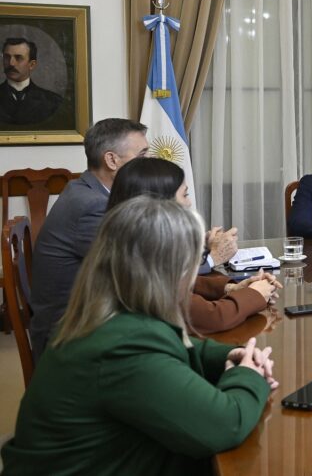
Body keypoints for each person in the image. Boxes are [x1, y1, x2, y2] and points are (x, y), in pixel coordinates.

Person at [0, 197, 277, 475]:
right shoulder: (123, 349)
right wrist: (249, 375)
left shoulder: (103, 313)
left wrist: (231, 355)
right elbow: (225, 425)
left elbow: (173, 344)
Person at [106, 157, 280, 335]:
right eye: (185, 195)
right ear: (160, 203)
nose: (189, 203)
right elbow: (213, 317)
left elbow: (176, 280)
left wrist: (230, 288)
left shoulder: (127, 243)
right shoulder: (136, 262)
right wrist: (255, 294)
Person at [28, 118, 150, 356]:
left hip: (89, 315)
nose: (150, 161)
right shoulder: (92, 206)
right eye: (142, 155)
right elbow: (136, 271)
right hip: (70, 335)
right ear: (112, 160)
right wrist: (206, 260)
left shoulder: (88, 190)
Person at [0, 36, 66, 126]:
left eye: (18, 58)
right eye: (7, 57)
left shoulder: (52, 101)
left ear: (32, 65)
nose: (11, 63)